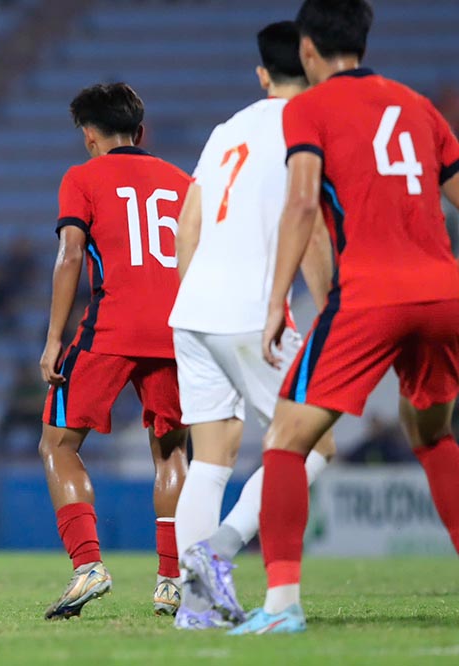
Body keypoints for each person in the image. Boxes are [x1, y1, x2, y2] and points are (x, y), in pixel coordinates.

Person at [230, 0, 459, 634]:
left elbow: (303, 204)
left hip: (371, 295)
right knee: (432, 433)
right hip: (445, 294)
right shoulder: (417, 105)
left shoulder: (309, 108)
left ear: (307, 50)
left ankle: (280, 607)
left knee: (284, 440)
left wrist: (277, 300)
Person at [167, 22, 336, 630]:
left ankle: (196, 607)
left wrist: (193, 302)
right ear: (312, 64)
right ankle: (223, 550)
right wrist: (330, 306)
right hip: (251, 312)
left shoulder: (226, 129)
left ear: (262, 74)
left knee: (210, 460)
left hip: (193, 311)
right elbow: (310, 221)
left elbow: (188, 223)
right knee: (315, 443)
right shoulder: (312, 123)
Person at [38, 83, 191, 619]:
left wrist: (55, 338)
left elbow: (70, 254)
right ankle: (171, 580)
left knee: (57, 443)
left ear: (89, 137)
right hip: (177, 331)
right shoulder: (182, 181)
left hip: (111, 328)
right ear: (140, 131)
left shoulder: (82, 178)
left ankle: (88, 566)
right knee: (172, 451)